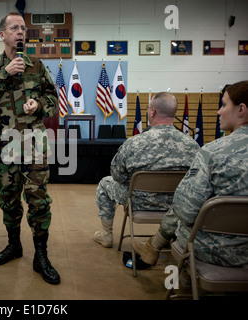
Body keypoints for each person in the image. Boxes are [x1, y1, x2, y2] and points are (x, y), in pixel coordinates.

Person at [0, 12, 60, 285]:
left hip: (34, 142)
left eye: (23, 28)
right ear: (3, 35)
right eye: (15, 27)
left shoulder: (36, 65)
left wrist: (40, 105)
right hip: (3, 142)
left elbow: (53, 98)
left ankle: (41, 255)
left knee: (38, 199)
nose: (21, 32)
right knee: (8, 197)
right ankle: (14, 245)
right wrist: (3, 74)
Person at [132, 80, 248, 267]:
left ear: (241, 109)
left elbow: (186, 210)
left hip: (217, 249)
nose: (219, 111)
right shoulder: (193, 145)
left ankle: (155, 246)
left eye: (224, 104)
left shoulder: (214, 152)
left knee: (185, 205)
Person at [94, 92, 200, 248]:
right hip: (176, 204)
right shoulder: (192, 146)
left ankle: (107, 234)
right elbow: (196, 181)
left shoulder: (134, 143)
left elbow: (116, 175)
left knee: (105, 183)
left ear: (153, 112)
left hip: (137, 201)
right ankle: (172, 236)